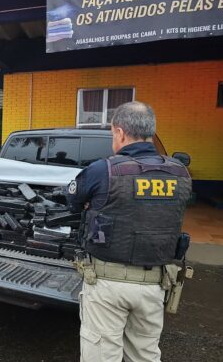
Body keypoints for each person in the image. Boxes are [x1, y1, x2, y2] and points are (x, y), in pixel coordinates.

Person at [67, 101, 191, 362]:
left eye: (113, 134)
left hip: (107, 284)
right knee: (145, 355)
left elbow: (74, 201)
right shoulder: (180, 173)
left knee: (101, 354)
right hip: (155, 284)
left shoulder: (104, 170)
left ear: (120, 132)